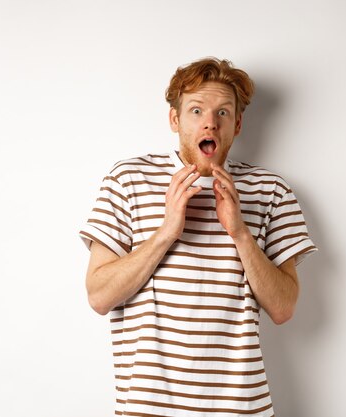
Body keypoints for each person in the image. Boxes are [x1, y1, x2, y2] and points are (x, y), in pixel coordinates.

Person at [79, 57, 317, 416]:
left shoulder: (271, 190)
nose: (210, 122)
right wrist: (166, 232)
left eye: (223, 113)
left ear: (237, 125)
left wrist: (239, 233)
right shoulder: (127, 179)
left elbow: (284, 308)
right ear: (175, 119)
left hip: (241, 409)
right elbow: (99, 296)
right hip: (149, 409)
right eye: (196, 110)